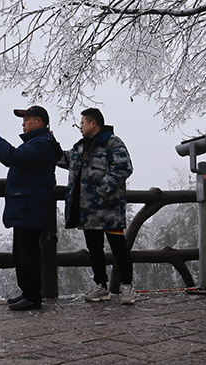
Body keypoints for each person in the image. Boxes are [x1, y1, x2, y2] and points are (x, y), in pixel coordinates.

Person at [0, 105, 62, 311]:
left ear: (38, 122)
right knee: (21, 252)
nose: (23, 122)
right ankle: (27, 292)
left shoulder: (41, 144)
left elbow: (14, 158)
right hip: (26, 204)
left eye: (26, 118)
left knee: (28, 253)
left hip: (31, 204)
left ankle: (33, 297)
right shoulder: (38, 143)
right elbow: (13, 159)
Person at [58, 108, 136, 304]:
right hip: (88, 211)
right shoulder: (80, 147)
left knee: (119, 248)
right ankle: (101, 287)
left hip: (109, 209)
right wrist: (51, 143)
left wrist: (101, 191)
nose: (80, 126)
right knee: (94, 250)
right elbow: (64, 159)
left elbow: (123, 168)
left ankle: (127, 287)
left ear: (93, 123)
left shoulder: (113, 142)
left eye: (82, 123)